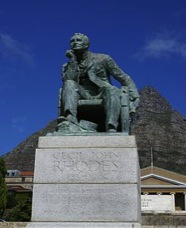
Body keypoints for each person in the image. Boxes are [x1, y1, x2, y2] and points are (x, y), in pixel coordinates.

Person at [59, 33, 140, 132]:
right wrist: (72, 61)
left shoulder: (103, 59)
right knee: (69, 83)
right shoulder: (66, 66)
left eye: (78, 40)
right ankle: (71, 120)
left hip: (102, 92)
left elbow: (123, 77)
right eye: (72, 41)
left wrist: (135, 96)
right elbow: (68, 81)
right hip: (82, 94)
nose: (75, 43)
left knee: (112, 89)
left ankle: (111, 126)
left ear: (87, 44)